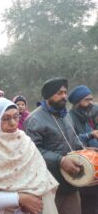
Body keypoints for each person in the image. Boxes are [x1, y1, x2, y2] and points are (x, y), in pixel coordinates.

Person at [0, 98, 59, 214]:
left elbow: (41, 177)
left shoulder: (24, 140)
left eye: (16, 116)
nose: (13, 123)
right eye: (5, 118)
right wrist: (19, 199)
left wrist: (32, 199)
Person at [24, 77, 83, 214]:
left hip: (71, 182)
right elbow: (33, 151)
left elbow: (72, 139)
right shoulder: (34, 119)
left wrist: (85, 150)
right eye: (59, 93)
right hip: (49, 186)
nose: (64, 96)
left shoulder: (66, 114)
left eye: (65, 92)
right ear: (48, 96)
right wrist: (60, 160)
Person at [68, 85, 98, 214]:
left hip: (94, 166)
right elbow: (71, 141)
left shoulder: (87, 117)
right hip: (83, 168)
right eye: (86, 100)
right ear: (76, 102)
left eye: (91, 99)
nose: (90, 103)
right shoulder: (69, 119)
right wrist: (90, 135)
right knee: (88, 205)